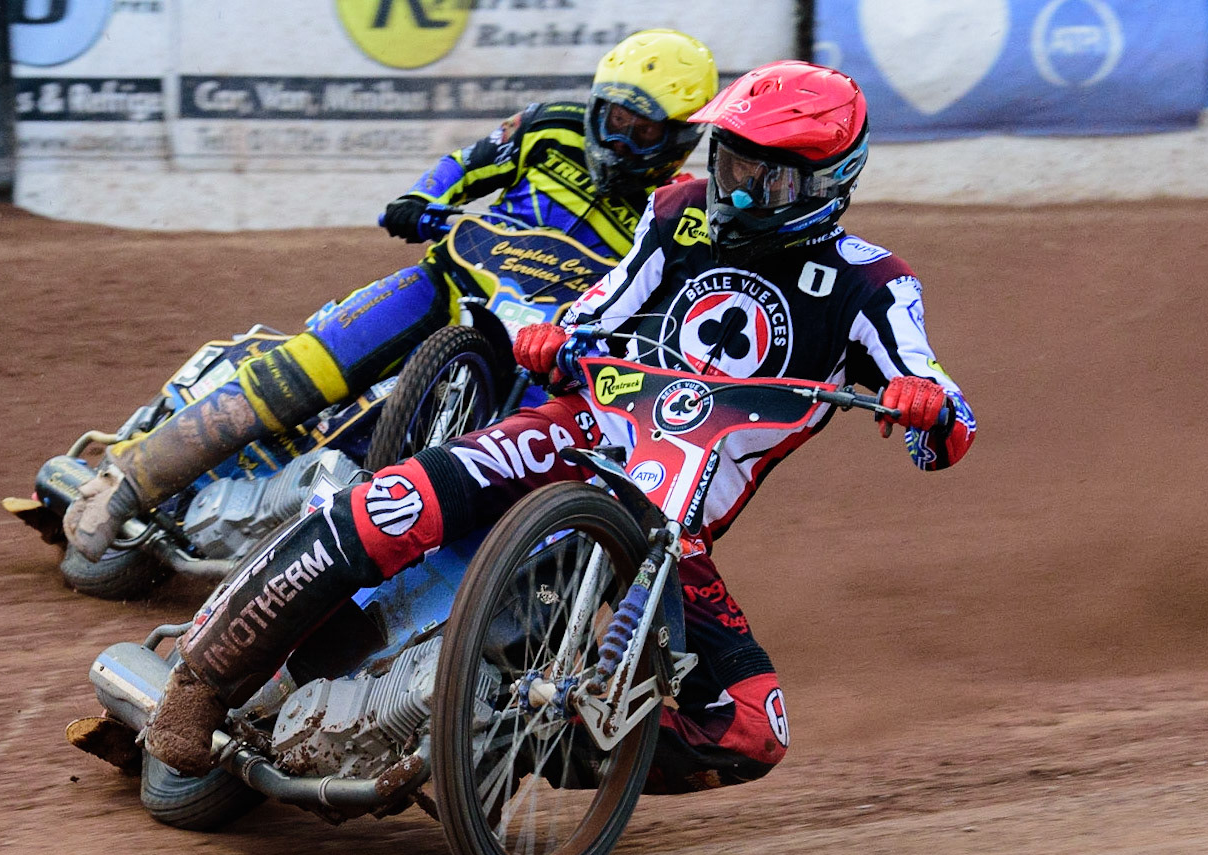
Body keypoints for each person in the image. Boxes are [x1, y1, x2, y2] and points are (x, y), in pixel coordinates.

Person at [143, 61, 977, 793]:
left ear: (830, 182)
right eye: (731, 161)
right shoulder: (677, 210)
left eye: (770, 176)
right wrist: (556, 337)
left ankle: (522, 748)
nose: (739, 187)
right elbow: (599, 306)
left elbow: (945, 417)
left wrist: (925, 409)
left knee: (755, 730)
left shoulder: (874, 286)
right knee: (394, 501)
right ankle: (200, 684)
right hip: (575, 428)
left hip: (673, 526)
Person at [62, 29, 720, 562]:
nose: (619, 138)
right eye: (613, 118)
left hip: (544, 344)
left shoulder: (675, 210)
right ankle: (123, 486)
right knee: (306, 363)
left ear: (681, 137)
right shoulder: (550, 126)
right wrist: (423, 200)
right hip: (447, 283)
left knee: (551, 460)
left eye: (642, 130)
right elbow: (465, 164)